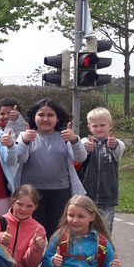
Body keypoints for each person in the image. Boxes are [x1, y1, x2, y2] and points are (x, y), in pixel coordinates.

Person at [15, 98, 86, 238]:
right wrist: (25, 142)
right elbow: (19, 158)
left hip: (60, 193)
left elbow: (80, 157)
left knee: (58, 234)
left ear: (58, 118)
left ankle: (55, 259)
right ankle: (33, 259)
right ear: (34, 118)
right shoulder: (25, 136)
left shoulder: (66, 136)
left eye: (50, 115)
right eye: (41, 115)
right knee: (34, 236)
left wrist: (74, 140)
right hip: (31, 195)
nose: (45, 119)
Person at [80, 107, 124, 233]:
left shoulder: (116, 143)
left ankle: (105, 253)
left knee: (105, 232)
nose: (99, 129)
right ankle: (86, 253)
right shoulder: (85, 141)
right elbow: (78, 153)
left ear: (110, 125)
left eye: (102, 125)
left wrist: (114, 145)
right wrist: (85, 148)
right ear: (89, 127)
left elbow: (118, 151)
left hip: (108, 197)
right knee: (85, 230)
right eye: (95, 126)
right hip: (86, 196)